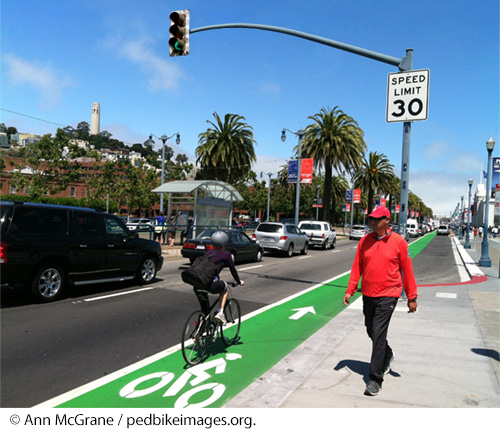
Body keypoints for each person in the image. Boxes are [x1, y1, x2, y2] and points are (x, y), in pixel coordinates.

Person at [343, 207, 418, 397]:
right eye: (371, 219)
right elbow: (357, 267)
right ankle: (386, 353)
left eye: (376, 219)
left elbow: (407, 270)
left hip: (389, 294)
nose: (372, 222)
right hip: (368, 294)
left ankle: (375, 379)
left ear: (387, 220)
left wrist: (412, 297)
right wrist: (350, 290)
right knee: (370, 329)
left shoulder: (399, 243)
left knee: (378, 331)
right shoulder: (364, 242)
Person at [193, 231, 244, 324]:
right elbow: (233, 270)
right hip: (210, 284)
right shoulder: (226, 254)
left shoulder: (208, 252)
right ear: (224, 243)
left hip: (198, 284)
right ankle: (220, 312)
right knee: (225, 288)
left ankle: (199, 331)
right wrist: (238, 281)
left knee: (205, 310)